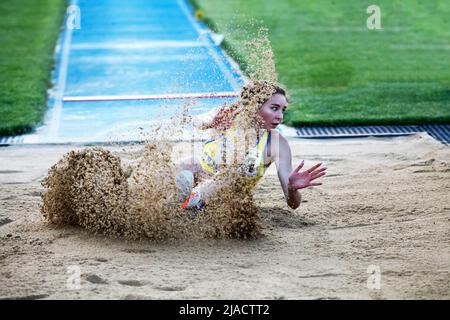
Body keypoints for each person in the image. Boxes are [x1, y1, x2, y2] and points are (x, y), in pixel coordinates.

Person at [176, 80, 326, 211]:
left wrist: (292, 189)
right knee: (183, 169)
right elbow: (197, 122)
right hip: (196, 177)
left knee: (228, 176)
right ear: (254, 106)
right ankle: (180, 204)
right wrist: (212, 122)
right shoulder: (226, 116)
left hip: (224, 200)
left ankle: (192, 204)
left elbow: (293, 204)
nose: (280, 116)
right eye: (274, 108)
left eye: (283, 110)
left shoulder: (277, 144)